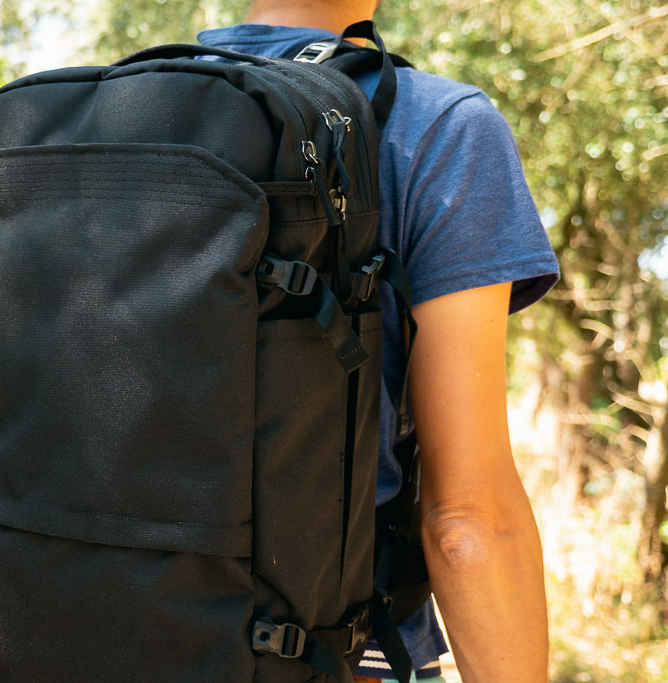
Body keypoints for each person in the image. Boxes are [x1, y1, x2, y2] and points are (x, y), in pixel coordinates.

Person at [198, 2, 560, 681]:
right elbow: (467, 523)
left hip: (111, 623)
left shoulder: (122, 113)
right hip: (329, 653)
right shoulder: (437, 127)